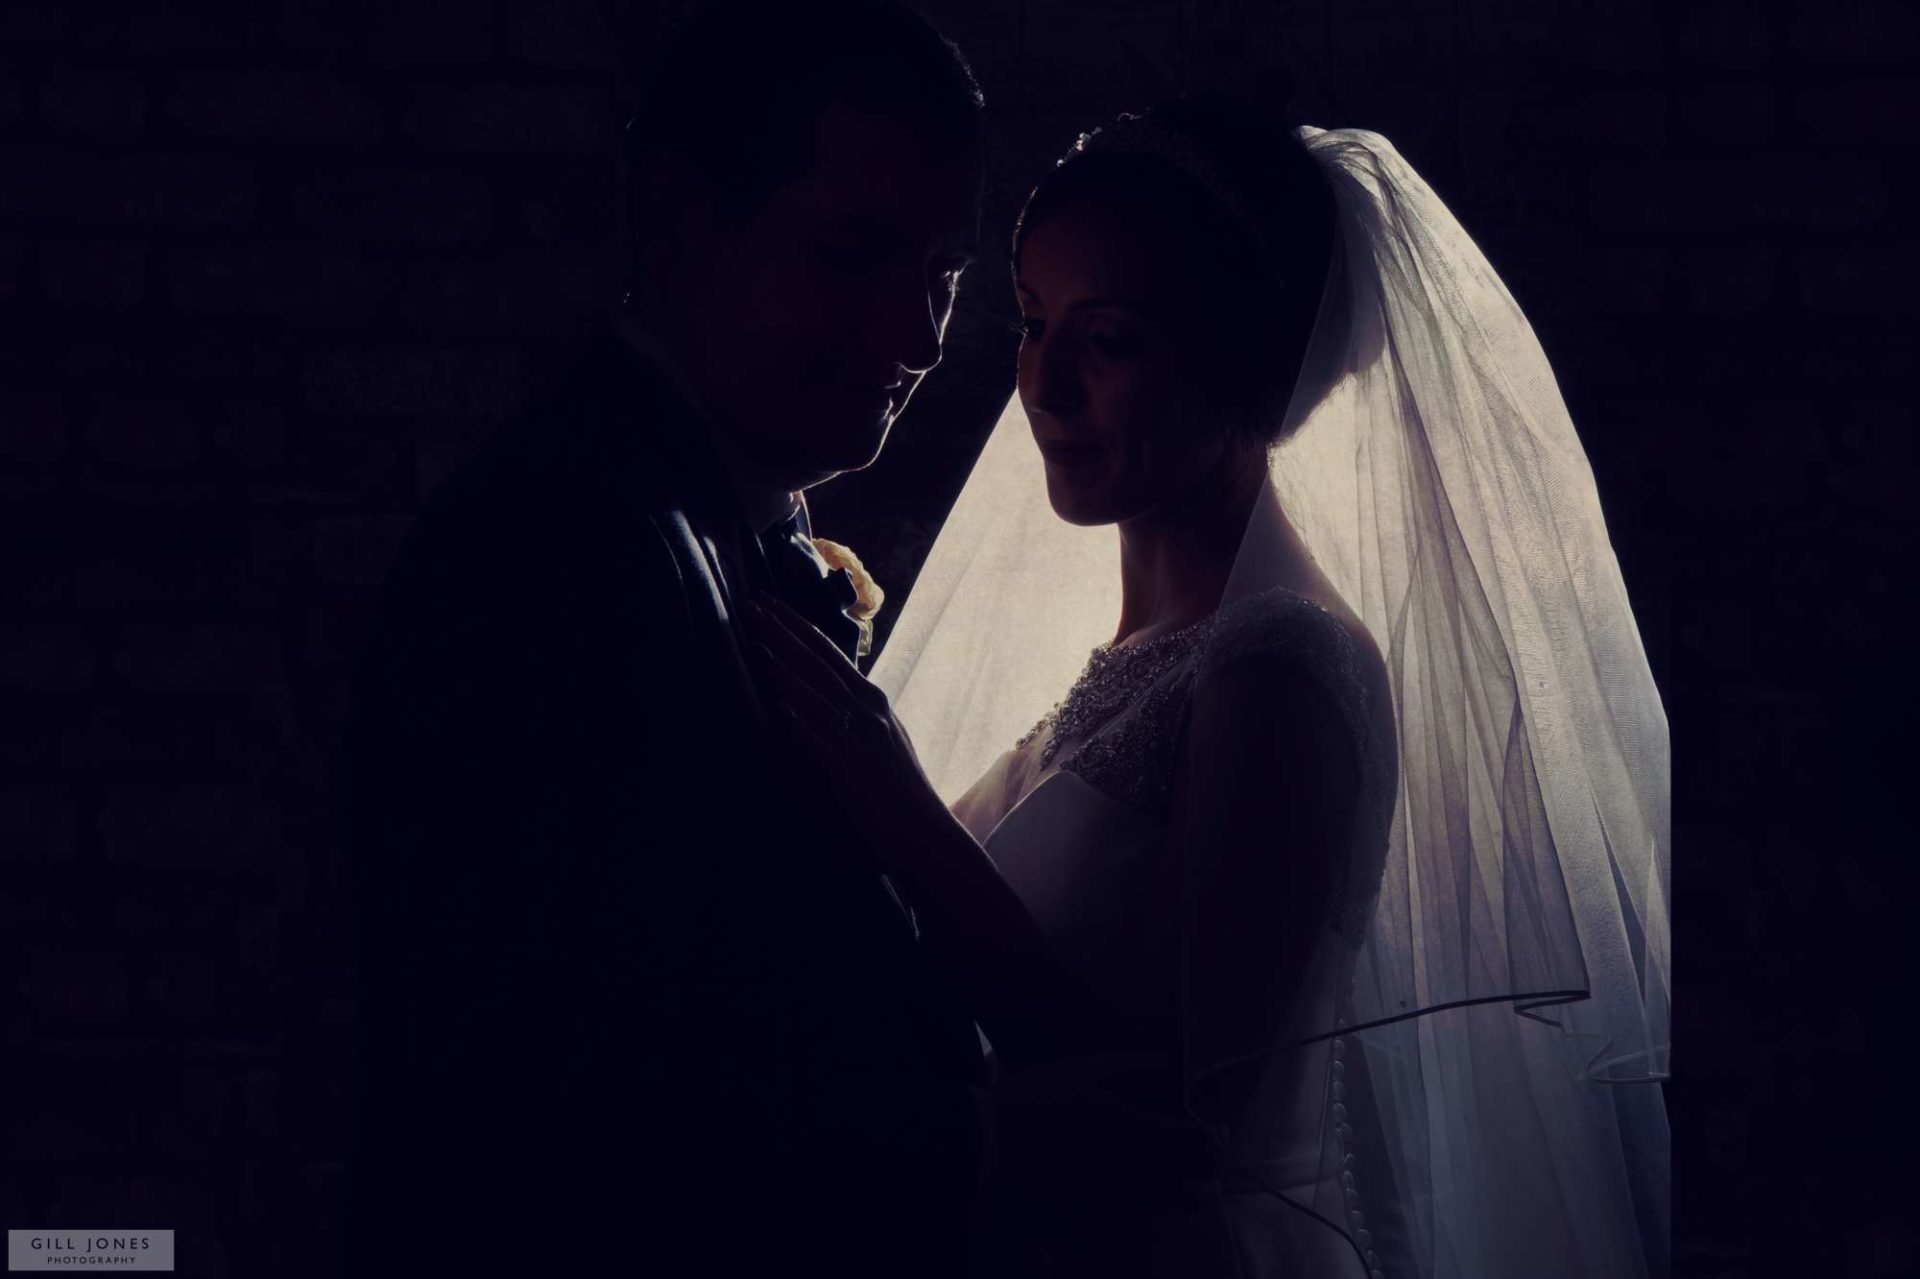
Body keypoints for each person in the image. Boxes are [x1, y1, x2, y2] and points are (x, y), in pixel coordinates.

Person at [751, 96, 1671, 1278]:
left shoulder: (1286, 668)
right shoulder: (1145, 655)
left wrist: (900, 808)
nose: (1044, 383)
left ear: (1242, 362)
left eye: (1112, 338)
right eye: (1035, 323)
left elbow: (1182, 1116)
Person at [345, 4, 991, 1274]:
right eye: (857, 255)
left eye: (943, 280)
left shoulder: (692, 507)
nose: (915, 341)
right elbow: (555, 1091)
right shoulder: (561, 546)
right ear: (680, 227)